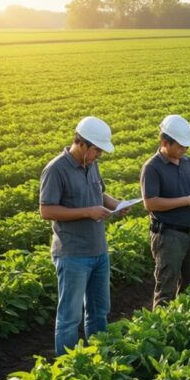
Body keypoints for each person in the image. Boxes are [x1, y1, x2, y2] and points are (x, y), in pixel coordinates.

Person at [39, 116, 127, 355]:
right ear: (81, 143)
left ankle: (98, 357)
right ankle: (67, 366)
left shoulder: (92, 164)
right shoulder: (56, 169)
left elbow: (100, 193)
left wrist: (116, 204)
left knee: (99, 311)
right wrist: (87, 212)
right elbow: (47, 210)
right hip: (73, 253)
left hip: (98, 249)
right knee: (70, 316)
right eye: (97, 150)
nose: (100, 155)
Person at [140, 114, 190, 308]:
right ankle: (162, 324)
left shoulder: (187, 162)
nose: (185, 150)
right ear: (165, 142)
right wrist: (186, 201)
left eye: (187, 146)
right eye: (181, 146)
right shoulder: (152, 167)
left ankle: (186, 322)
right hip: (169, 235)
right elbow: (150, 203)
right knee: (166, 288)